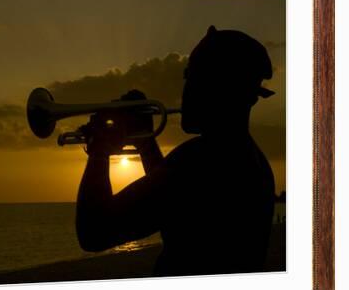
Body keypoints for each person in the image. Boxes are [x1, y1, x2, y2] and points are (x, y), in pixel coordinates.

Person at [76, 26, 276, 276]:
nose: (185, 91)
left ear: (218, 87)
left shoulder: (200, 160)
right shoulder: (253, 160)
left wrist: (99, 151)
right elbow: (174, 209)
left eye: (192, 77)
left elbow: (94, 232)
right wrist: (146, 143)